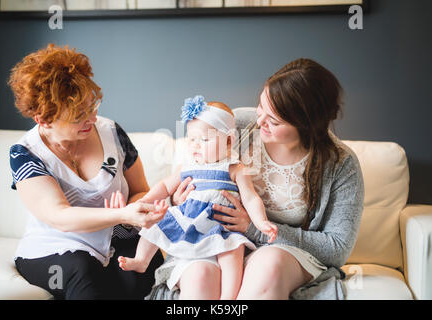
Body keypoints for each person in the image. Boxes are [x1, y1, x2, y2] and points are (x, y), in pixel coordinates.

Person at [147, 58, 365, 300]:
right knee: (199, 277)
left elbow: (337, 248)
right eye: (261, 107)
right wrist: (179, 199)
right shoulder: (237, 126)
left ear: (307, 126)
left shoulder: (340, 164)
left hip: (283, 252)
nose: (260, 121)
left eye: (274, 120)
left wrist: (254, 229)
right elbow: (191, 167)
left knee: (269, 264)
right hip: (215, 241)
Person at [8, 44, 168, 300]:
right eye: (78, 115)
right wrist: (118, 213)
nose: (92, 119)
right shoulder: (25, 153)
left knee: (140, 275)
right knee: (82, 271)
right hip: (55, 247)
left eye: (92, 106)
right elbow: (60, 216)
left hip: (116, 239)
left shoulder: (112, 132)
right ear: (43, 119)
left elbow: (140, 191)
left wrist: (136, 213)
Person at [107, 96, 277, 300]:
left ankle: (229, 298)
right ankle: (142, 259)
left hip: (221, 226)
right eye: (192, 139)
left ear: (229, 140)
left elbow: (251, 198)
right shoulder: (187, 166)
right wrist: (143, 202)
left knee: (234, 250)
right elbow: (164, 186)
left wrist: (261, 222)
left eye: (205, 140)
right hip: (189, 220)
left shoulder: (234, 168)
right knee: (156, 224)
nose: (196, 146)